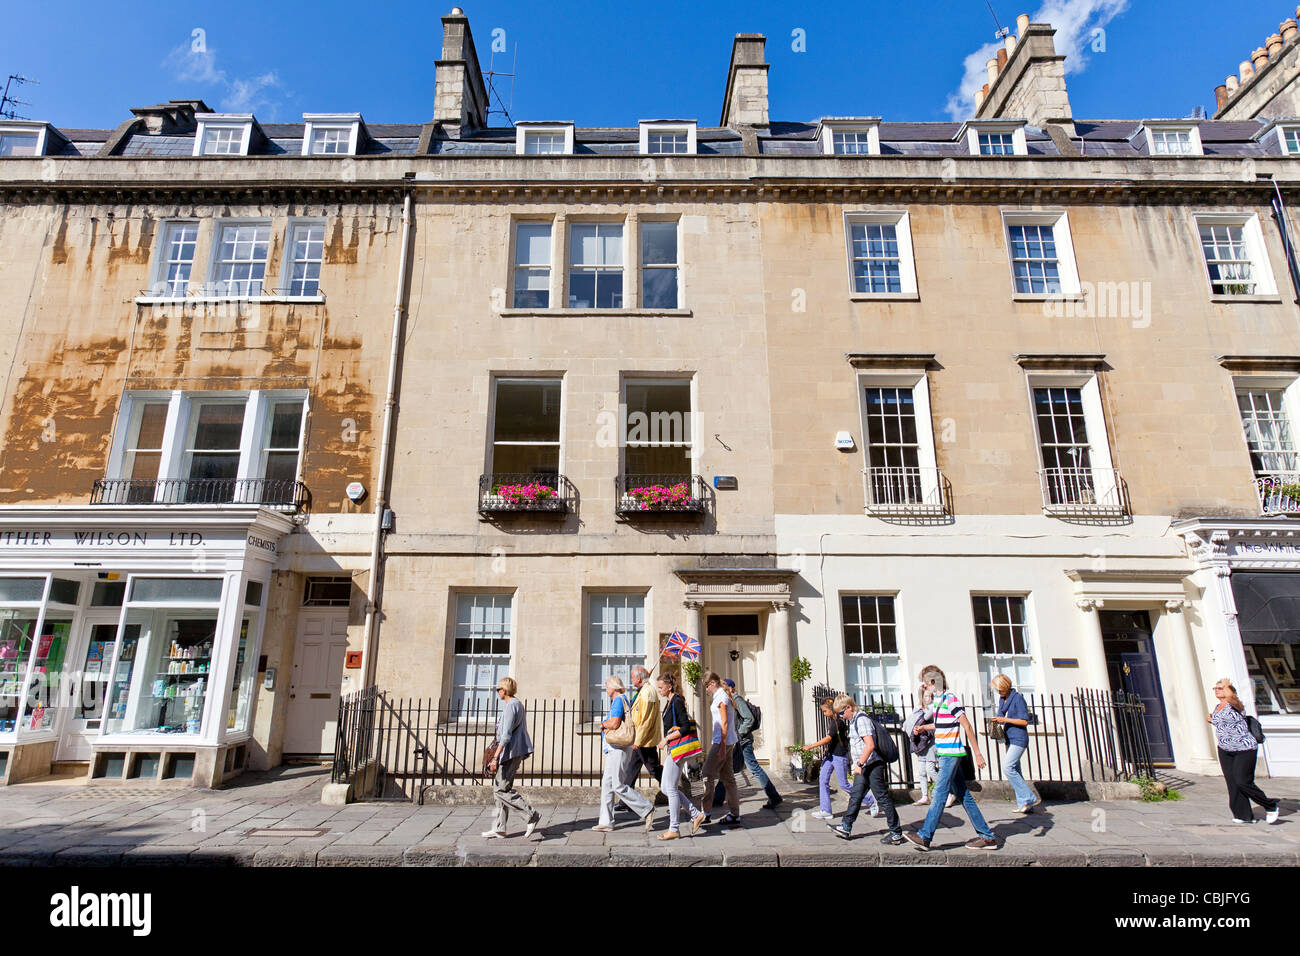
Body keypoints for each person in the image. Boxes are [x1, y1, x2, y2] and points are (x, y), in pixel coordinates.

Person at [903, 666, 998, 851]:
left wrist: (978, 754)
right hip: (944, 753)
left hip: (951, 754)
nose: (924, 686)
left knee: (939, 794)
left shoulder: (950, 699)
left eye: (925, 682)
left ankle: (924, 836)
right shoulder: (939, 701)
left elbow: (967, 726)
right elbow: (940, 725)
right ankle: (987, 837)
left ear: (933, 682)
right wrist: (923, 728)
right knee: (964, 796)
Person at [827, 694, 903, 843]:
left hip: (872, 765)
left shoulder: (861, 720)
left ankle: (896, 832)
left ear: (848, 707)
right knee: (856, 795)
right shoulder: (854, 720)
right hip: (864, 766)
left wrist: (859, 765)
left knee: (882, 797)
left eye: (842, 713)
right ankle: (846, 827)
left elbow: (870, 745)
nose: (842, 716)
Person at [1208, 677, 1280, 825]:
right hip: (1225, 749)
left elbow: (1232, 699)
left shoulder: (1236, 705)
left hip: (1244, 748)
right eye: (1215, 687)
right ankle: (1243, 815)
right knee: (1232, 782)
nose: (1216, 689)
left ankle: (1270, 805)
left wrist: (1227, 686)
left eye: (1220, 688)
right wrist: (1210, 719)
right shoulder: (1218, 707)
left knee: (1242, 781)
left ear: (1230, 691)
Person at [481, 677, 541, 839]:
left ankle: (531, 815)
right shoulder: (517, 704)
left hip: (510, 752)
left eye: (498, 689)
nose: (497, 692)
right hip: (514, 752)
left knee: (501, 789)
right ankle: (499, 828)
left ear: (505, 690)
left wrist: (495, 758)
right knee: (498, 789)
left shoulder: (511, 706)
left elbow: (506, 735)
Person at [593, 675, 654, 832]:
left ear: (613, 687)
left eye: (607, 686)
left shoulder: (618, 700)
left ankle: (646, 808)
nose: (606, 689)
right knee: (607, 784)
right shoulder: (621, 699)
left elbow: (614, 723)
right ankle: (606, 821)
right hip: (615, 748)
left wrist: (603, 724)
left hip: (618, 748)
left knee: (618, 785)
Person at [712, 679, 783, 811]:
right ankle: (718, 797)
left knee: (753, 768)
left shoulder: (737, 699)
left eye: (724, 688)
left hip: (743, 741)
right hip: (738, 741)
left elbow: (749, 718)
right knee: (726, 768)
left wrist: (738, 733)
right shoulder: (731, 700)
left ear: (731, 688)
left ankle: (774, 796)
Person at [654, 672, 706, 840]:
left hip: (678, 749)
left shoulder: (676, 701)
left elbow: (684, 727)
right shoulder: (670, 702)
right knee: (666, 788)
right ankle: (695, 814)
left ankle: (674, 828)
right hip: (674, 749)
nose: (659, 690)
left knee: (670, 787)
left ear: (669, 686)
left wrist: (666, 739)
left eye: (661, 687)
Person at [804, 697, 872, 820]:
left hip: (839, 755)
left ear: (831, 710)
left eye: (825, 711)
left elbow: (829, 738)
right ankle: (826, 810)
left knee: (844, 784)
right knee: (823, 780)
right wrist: (827, 748)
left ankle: (870, 800)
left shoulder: (838, 722)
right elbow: (833, 740)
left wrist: (811, 746)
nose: (824, 714)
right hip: (830, 755)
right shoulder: (832, 721)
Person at [989, 674, 1037, 814]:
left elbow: (1024, 721)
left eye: (1000, 689)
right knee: (1016, 770)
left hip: (1019, 738)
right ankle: (1025, 804)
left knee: (1008, 767)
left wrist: (1005, 720)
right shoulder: (1003, 699)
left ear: (1005, 686)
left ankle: (1029, 796)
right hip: (1009, 738)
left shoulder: (1018, 699)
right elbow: (1004, 717)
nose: (998, 692)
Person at [699, 671, 741, 826]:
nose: (706, 690)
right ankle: (735, 814)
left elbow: (724, 723)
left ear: (712, 684)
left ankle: (706, 812)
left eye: (706, 687)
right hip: (728, 741)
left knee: (706, 773)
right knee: (728, 779)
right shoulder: (721, 695)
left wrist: (722, 747)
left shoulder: (721, 697)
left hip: (721, 742)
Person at [622, 665, 663, 788]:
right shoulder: (642, 691)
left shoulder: (647, 692)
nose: (631, 680)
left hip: (645, 740)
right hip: (639, 738)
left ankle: (673, 784)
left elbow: (646, 719)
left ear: (639, 679)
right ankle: (626, 801)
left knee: (653, 769)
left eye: (632, 677)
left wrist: (638, 741)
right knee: (632, 769)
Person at [905, 685, 941, 806]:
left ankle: (947, 792)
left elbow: (926, 718)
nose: (928, 698)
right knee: (921, 771)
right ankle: (925, 796)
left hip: (931, 742)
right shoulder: (918, 708)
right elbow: (908, 722)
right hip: (921, 743)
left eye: (930, 696)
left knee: (930, 769)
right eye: (926, 696)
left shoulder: (933, 708)